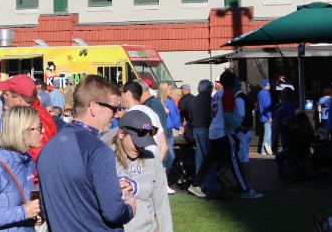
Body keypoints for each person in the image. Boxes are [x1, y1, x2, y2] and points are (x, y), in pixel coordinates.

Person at [37, 74, 135, 231]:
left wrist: (110, 188)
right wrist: (129, 209)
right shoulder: (98, 150)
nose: (116, 114)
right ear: (94, 107)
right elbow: (114, 212)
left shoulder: (49, 148)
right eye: (114, 108)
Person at [187, 70, 261, 199]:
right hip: (223, 132)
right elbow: (228, 114)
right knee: (234, 161)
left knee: (208, 161)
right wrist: (239, 127)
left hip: (214, 130)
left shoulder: (216, 94)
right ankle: (245, 190)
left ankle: (195, 184)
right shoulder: (227, 94)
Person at [108, 110, 174, 232]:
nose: (140, 147)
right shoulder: (104, 156)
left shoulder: (153, 160)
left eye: (144, 143)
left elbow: (162, 206)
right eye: (136, 141)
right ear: (121, 134)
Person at [0, 75, 56, 160]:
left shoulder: (37, 118)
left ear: (19, 99)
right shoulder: (32, 113)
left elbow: (39, 157)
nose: (4, 97)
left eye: (7, 94)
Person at [257, 79, 274, 155]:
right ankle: (264, 151)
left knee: (266, 133)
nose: (270, 85)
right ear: (267, 85)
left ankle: (263, 151)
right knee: (268, 134)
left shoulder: (260, 93)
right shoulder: (266, 93)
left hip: (263, 116)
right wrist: (270, 116)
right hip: (267, 116)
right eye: (269, 84)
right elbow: (267, 106)